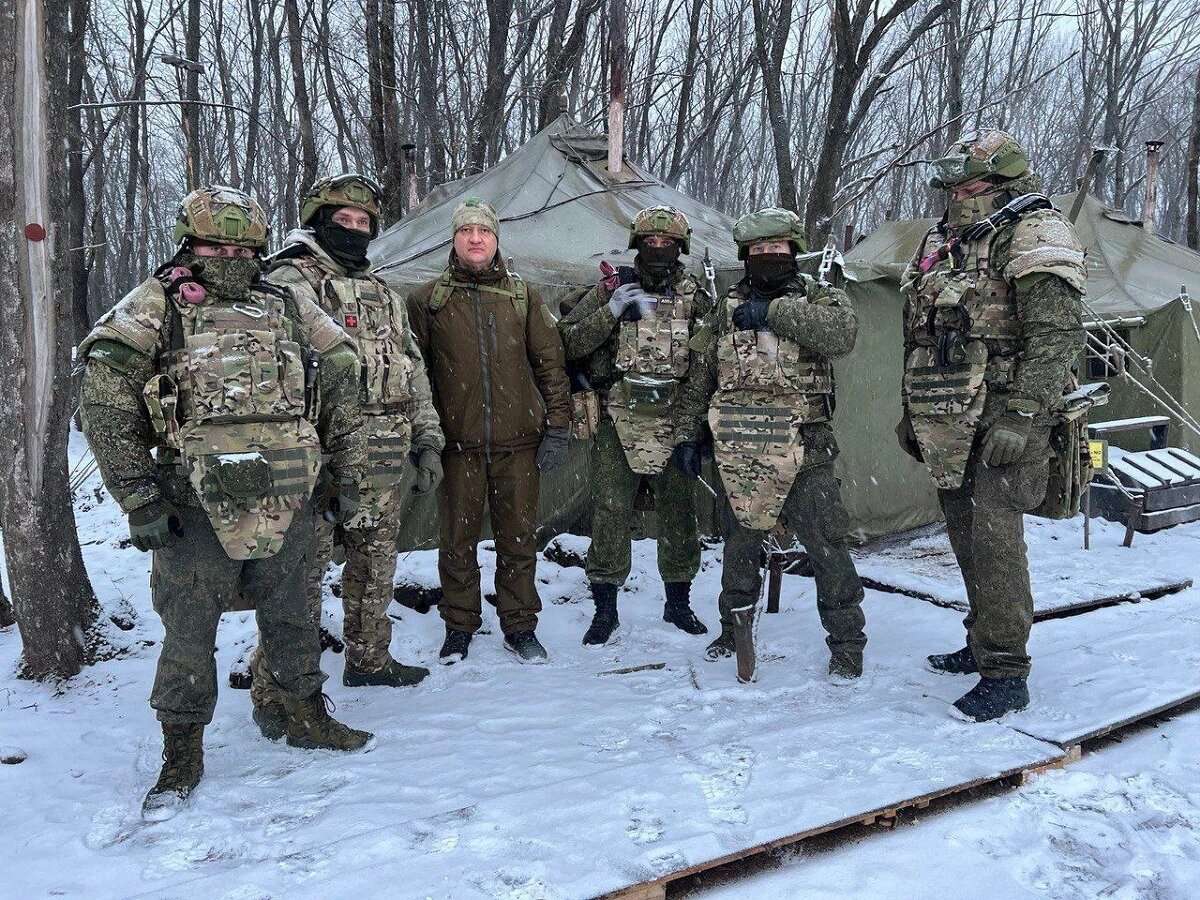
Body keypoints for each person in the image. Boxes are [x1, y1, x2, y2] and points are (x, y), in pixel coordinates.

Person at [79, 186, 374, 822]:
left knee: (295, 613)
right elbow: (104, 395)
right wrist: (137, 495)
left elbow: (346, 374)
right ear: (190, 245)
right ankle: (181, 749)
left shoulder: (287, 301)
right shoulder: (158, 302)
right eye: (217, 245)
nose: (231, 257)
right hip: (192, 498)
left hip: (289, 492)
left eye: (244, 247)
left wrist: (348, 479)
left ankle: (301, 713)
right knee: (189, 631)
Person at [246, 175, 444, 739]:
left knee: (375, 562)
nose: (354, 230)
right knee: (300, 578)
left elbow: (412, 369)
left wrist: (427, 438)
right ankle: (277, 688)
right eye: (343, 220)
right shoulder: (289, 280)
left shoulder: (383, 291)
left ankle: (369, 659)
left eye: (363, 223)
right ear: (318, 219)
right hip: (319, 456)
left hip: (385, 450)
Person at [899, 130, 1086, 721]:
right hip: (946, 413)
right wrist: (912, 409)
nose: (957, 194)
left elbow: (1057, 335)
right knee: (961, 531)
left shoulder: (1036, 233)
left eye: (969, 184)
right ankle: (982, 637)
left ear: (1002, 181)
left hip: (1007, 412)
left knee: (996, 538)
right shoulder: (943, 239)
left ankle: (1006, 669)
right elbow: (919, 328)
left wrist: (1026, 412)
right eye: (951, 185)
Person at [673, 207, 867, 677]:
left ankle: (846, 643)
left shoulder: (821, 299)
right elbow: (702, 375)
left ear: (794, 252)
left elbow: (842, 336)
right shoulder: (724, 310)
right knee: (740, 547)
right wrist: (689, 434)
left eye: (777, 249)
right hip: (741, 451)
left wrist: (775, 312)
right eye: (758, 251)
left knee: (827, 545)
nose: (768, 257)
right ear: (745, 256)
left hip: (806, 448)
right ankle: (732, 629)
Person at [407, 198, 571, 664]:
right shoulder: (428, 301)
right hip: (457, 448)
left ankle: (520, 625)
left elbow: (550, 366)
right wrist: (425, 441)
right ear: (454, 241)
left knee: (518, 539)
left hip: (518, 446)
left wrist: (557, 428)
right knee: (456, 543)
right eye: (466, 231)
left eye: (484, 231)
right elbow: (413, 374)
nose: (475, 238)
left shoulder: (523, 297)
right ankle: (458, 625)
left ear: (497, 240)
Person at [557, 206, 710, 645]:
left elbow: (711, 358)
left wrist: (698, 429)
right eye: (650, 242)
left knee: (680, 512)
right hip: (617, 417)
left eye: (667, 244)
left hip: (675, 419)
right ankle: (606, 610)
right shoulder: (611, 288)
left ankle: (678, 603)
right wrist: (611, 310)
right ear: (636, 245)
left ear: (679, 248)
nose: (657, 250)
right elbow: (566, 342)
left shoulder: (695, 296)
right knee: (609, 510)